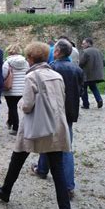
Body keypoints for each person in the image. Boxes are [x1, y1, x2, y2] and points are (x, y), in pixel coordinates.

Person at [0, 42, 72, 209]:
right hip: (56, 126)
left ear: (31, 58)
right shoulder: (57, 75)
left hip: (36, 126)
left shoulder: (32, 76)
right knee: (57, 169)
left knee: (17, 158)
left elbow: (27, 105)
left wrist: (20, 106)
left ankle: (5, 191)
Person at [31, 39, 84, 199]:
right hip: (69, 112)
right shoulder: (77, 69)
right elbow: (80, 91)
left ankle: (67, 185)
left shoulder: (52, 68)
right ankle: (44, 170)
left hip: (53, 111)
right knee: (62, 145)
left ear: (57, 52)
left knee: (57, 145)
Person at [2, 44, 29, 135]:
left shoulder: (7, 62)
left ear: (9, 51)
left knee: (12, 107)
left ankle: (15, 127)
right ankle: (11, 122)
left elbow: (4, 74)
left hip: (10, 89)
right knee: (17, 107)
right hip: (22, 89)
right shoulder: (26, 62)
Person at [79, 37, 105, 109]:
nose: (82, 45)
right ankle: (99, 99)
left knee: (84, 89)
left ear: (88, 43)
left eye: (83, 43)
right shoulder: (98, 51)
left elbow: (81, 63)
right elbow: (104, 62)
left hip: (87, 74)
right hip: (96, 74)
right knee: (93, 87)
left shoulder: (85, 52)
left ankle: (86, 104)